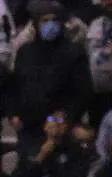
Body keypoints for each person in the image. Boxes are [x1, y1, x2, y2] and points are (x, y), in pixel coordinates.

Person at [6, 0, 92, 142]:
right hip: (28, 127)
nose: (50, 25)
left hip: (59, 127)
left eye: (54, 20)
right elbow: (15, 87)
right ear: (36, 24)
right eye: (45, 21)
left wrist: (65, 115)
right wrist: (12, 115)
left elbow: (82, 92)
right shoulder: (25, 52)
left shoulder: (73, 52)